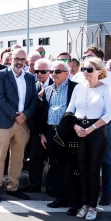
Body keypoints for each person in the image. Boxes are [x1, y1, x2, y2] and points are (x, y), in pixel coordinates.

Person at [66, 58, 111, 221]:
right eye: (84, 69)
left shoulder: (106, 88)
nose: (85, 72)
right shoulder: (78, 88)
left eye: (89, 69)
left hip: (97, 131)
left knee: (94, 170)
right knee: (82, 169)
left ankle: (93, 206)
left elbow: (109, 113)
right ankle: (84, 204)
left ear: (99, 71)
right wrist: (76, 127)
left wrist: (91, 128)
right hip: (78, 130)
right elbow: (70, 110)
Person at [0, 48, 39, 203]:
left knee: (18, 158)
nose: (19, 62)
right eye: (17, 59)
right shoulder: (2, 74)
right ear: (11, 59)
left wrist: (26, 115)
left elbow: (35, 100)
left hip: (23, 123)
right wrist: (15, 115)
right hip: (5, 121)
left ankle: (13, 187)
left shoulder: (30, 78)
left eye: (22, 60)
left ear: (26, 62)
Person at [39, 61, 79, 210]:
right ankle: (60, 198)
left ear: (67, 73)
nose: (54, 74)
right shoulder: (48, 90)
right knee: (54, 165)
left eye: (58, 71)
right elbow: (44, 113)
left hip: (68, 133)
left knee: (70, 166)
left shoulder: (75, 88)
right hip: (51, 131)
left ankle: (73, 201)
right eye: (53, 71)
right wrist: (42, 133)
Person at [25, 58, 52, 192]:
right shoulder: (33, 85)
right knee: (35, 157)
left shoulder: (56, 84)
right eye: (37, 71)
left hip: (53, 128)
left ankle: (51, 187)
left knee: (53, 159)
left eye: (43, 71)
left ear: (50, 72)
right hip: (36, 128)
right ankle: (34, 184)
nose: (39, 74)